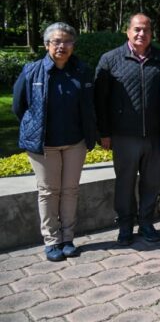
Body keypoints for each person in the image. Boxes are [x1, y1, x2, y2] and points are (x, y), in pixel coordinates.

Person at [12, 23, 98, 261]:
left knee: (70, 191)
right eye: (57, 41)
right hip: (44, 145)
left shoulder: (82, 71)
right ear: (47, 44)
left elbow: (89, 106)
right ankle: (51, 241)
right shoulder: (32, 71)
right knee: (49, 192)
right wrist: (35, 128)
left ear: (73, 45)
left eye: (67, 41)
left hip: (75, 143)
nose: (62, 46)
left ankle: (68, 238)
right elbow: (19, 106)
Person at [95, 13, 160, 245]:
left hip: (154, 135)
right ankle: (125, 225)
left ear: (151, 33)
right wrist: (104, 132)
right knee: (124, 182)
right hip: (124, 135)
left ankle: (146, 222)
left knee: (152, 182)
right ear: (127, 31)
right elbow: (100, 100)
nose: (141, 34)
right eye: (137, 29)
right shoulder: (110, 59)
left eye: (146, 29)